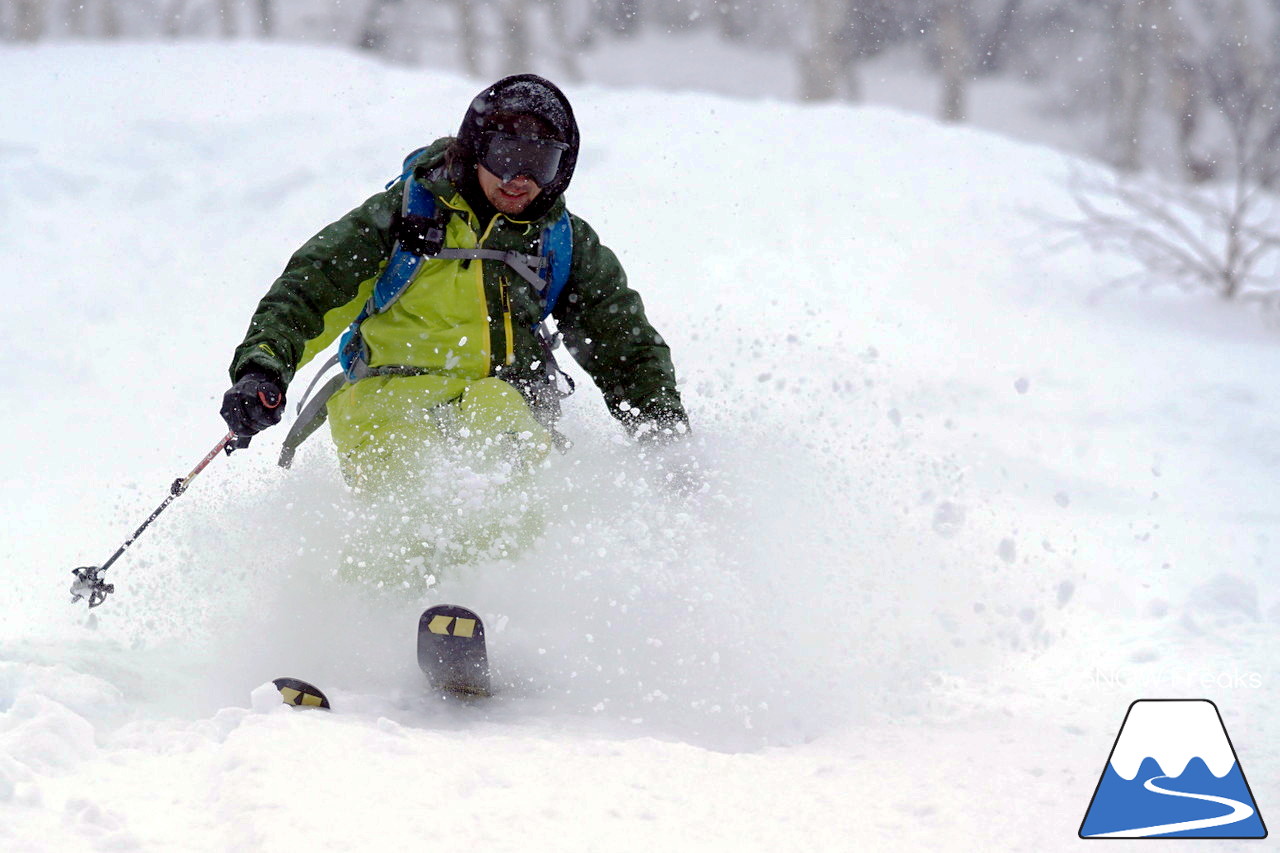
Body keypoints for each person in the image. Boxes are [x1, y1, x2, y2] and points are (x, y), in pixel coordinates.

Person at [219, 74, 688, 570]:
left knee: (513, 489)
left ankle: (508, 616)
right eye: (506, 155)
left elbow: (623, 340)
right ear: (476, 148)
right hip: (388, 400)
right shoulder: (404, 216)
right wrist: (263, 369)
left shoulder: (558, 240)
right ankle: (380, 619)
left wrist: (664, 434)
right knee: (412, 504)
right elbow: (310, 290)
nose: (518, 179)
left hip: (507, 402)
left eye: (539, 163)